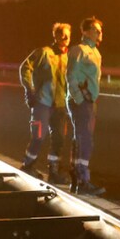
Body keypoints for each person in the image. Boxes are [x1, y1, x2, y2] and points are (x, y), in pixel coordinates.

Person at [18, 22, 72, 184]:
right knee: (38, 136)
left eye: (68, 35)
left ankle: (54, 171)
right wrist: (30, 89)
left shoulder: (69, 57)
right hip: (43, 102)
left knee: (59, 138)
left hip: (61, 105)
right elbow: (24, 68)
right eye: (61, 34)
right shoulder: (43, 53)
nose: (65, 38)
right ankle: (28, 165)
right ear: (55, 36)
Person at [66, 16, 106, 196]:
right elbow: (71, 75)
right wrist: (79, 98)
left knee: (82, 138)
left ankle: (77, 179)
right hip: (81, 101)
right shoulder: (79, 50)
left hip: (90, 101)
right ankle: (83, 180)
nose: (99, 33)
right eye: (96, 30)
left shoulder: (96, 52)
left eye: (100, 30)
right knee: (85, 139)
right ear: (85, 31)